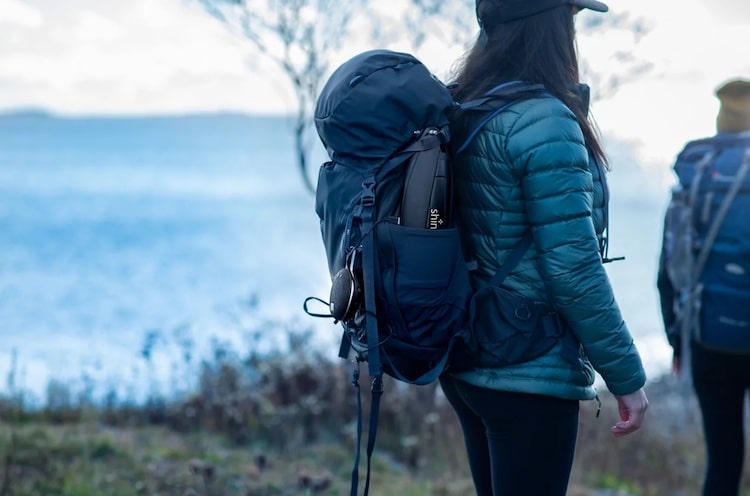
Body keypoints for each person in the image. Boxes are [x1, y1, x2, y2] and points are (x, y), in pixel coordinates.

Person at [438, 1, 650, 494]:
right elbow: (573, 269)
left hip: (468, 357)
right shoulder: (546, 122)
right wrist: (627, 378)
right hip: (526, 367)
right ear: (552, 30)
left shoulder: (465, 105)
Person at [657, 78, 750, 496]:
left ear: (720, 117)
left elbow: (668, 271)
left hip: (707, 336)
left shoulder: (695, 175)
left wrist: (678, 340)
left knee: (723, 458)